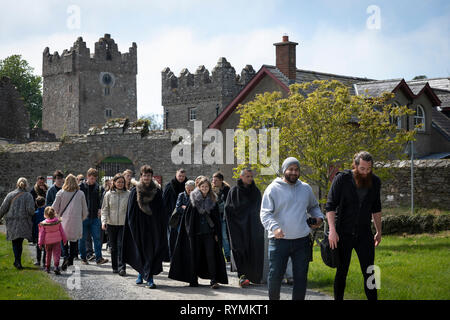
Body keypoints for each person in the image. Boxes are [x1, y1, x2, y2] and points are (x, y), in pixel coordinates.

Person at [260, 157, 324, 300]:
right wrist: (274, 227)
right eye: (291, 169)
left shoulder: (305, 188)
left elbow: (314, 207)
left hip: (301, 241)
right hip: (279, 241)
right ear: (284, 170)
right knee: (275, 276)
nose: (294, 172)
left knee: (301, 278)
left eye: (297, 169)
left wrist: (319, 218)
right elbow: (265, 213)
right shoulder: (273, 189)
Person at [325, 151, 382, 301]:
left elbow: (376, 208)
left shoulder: (375, 181)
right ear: (355, 165)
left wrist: (378, 231)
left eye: (369, 169)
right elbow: (330, 206)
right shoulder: (342, 179)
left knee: (370, 271)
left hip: (364, 234)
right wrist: (332, 231)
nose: (365, 172)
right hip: (343, 233)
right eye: (362, 169)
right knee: (342, 271)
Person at [169, 177, 228, 289]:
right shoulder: (193, 200)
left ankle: (213, 280)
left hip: (209, 234)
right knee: (194, 256)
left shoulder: (213, 200)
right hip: (195, 234)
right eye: (202, 187)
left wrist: (216, 234)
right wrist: (189, 231)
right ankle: (193, 279)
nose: (204, 188)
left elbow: (216, 220)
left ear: (209, 187)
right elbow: (188, 217)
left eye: (206, 186)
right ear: (199, 187)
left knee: (211, 256)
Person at [122, 165, 168, 289]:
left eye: (149, 175)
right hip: (139, 226)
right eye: (144, 175)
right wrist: (132, 227)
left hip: (153, 227)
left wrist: (162, 226)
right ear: (141, 176)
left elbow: (162, 210)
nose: (147, 177)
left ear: (151, 177)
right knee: (140, 250)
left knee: (152, 251)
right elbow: (130, 212)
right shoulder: (135, 191)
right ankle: (141, 274)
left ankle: (150, 277)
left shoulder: (157, 192)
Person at [225, 168, 264, 287]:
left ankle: (254, 276)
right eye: (248, 176)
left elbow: (259, 208)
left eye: (251, 176)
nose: (250, 179)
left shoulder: (256, 191)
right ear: (241, 177)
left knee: (254, 250)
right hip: (237, 227)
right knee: (240, 250)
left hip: (253, 227)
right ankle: (242, 276)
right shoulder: (234, 191)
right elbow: (229, 209)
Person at [52, 174, 88, 270]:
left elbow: (54, 208)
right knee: (74, 241)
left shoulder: (60, 193)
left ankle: (66, 256)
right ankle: (71, 260)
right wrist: (82, 217)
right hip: (76, 221)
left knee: (63, 240)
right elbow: (85, 209)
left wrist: (57, 217)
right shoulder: (80, 194)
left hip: (63, 220)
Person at [0, 177, 35, 270]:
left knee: (15, 242)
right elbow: (31, 211)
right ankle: (18, 261)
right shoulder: (28, 196)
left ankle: (17, 261)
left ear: (17, 184)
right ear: (26, 185)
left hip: (12, 222)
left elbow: (3, 208)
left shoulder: (10, 195)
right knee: (20, 242)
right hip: (24, 222)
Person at [101, 173, 130, 276]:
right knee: (113, 247)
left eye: (122, 182)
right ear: (114, 182)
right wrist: (104, 221)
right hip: (111, 223)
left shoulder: (128, 194)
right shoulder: (108, 194)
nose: (120, 184)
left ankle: (122, 267)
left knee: (121, 245)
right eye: (118, 182)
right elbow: (105, 209)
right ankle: (115, 267)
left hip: (123, 224)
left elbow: (130, 211)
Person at [79, 168, 108, 265]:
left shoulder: (99, 188)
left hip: (95, 217)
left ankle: (99, 258)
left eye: (95, 179)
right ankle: (83, 258)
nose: (93, 181)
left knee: (97, 238)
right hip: (83, 217)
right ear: (87, 177)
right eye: (91, 178)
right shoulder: (80, 187)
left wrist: (100, 208)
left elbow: (102, 201)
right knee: (82, 239)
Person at [162, 168, 188, 260]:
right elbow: (164, 201)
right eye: (179, 176)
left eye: (183, 176)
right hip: (172, 215)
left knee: (183, 236)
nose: (181, 178)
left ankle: (182, 255)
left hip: (185, 215)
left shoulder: (187, 186)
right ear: (176, 175)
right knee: (172, 237)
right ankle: (172, 256)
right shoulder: (170, 186)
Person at [38, 206, 67, 274]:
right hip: (57, 241)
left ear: (45, 214)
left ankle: (47, 267)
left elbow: (41, 235)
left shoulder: (44, 224)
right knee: (57, 254)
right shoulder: (58, 222)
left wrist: (40, 243)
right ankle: (56, 266)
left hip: (48, 242)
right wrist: (64, 240)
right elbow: (62, 231)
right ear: (54, 213)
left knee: (48, 254)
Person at [212, 172, 231, 262]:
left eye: (215, 180)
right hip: (215, 216)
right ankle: (217, 256)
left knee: (224, 236)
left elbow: (227, 204)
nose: (213, 181)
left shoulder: (226, 189)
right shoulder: (212, 189)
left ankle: (228, 256)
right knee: (215, 236)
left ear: (221, 180)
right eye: (213, 179)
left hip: (224, 217)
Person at [32, 196, 47, 267]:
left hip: (38, 232)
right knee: (46, 247)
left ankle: (38, 261)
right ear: (44, 203)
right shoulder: (46, 213)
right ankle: (44, 261)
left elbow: (33, 224)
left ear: (36, 204)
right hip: (46, 232)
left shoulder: (35, 213)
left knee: (38, 247)